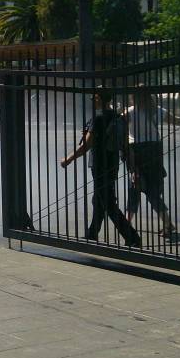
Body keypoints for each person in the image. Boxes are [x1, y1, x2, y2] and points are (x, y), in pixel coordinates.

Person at [60, 88, 141, 247]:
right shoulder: (119, 118)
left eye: (94, 97)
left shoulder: (98, 119)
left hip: (99, 165)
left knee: (108, 203)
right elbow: (125, 146)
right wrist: (132, 168)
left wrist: (68, 159)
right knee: (100, 199)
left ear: (99, 99)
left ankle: (132, 237)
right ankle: (91, 234)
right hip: (112, 164)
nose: (92, 99)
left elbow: (86, 146)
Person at [123, 87, 180, 237]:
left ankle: (126, 224)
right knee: (153, 192)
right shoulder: (156, 111)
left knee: (134, 188)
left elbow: (118, 128)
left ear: (133, 97)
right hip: (154, 152)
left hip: (136, 153)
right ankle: (167, 224)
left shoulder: (129, 112)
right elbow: (179, 121)